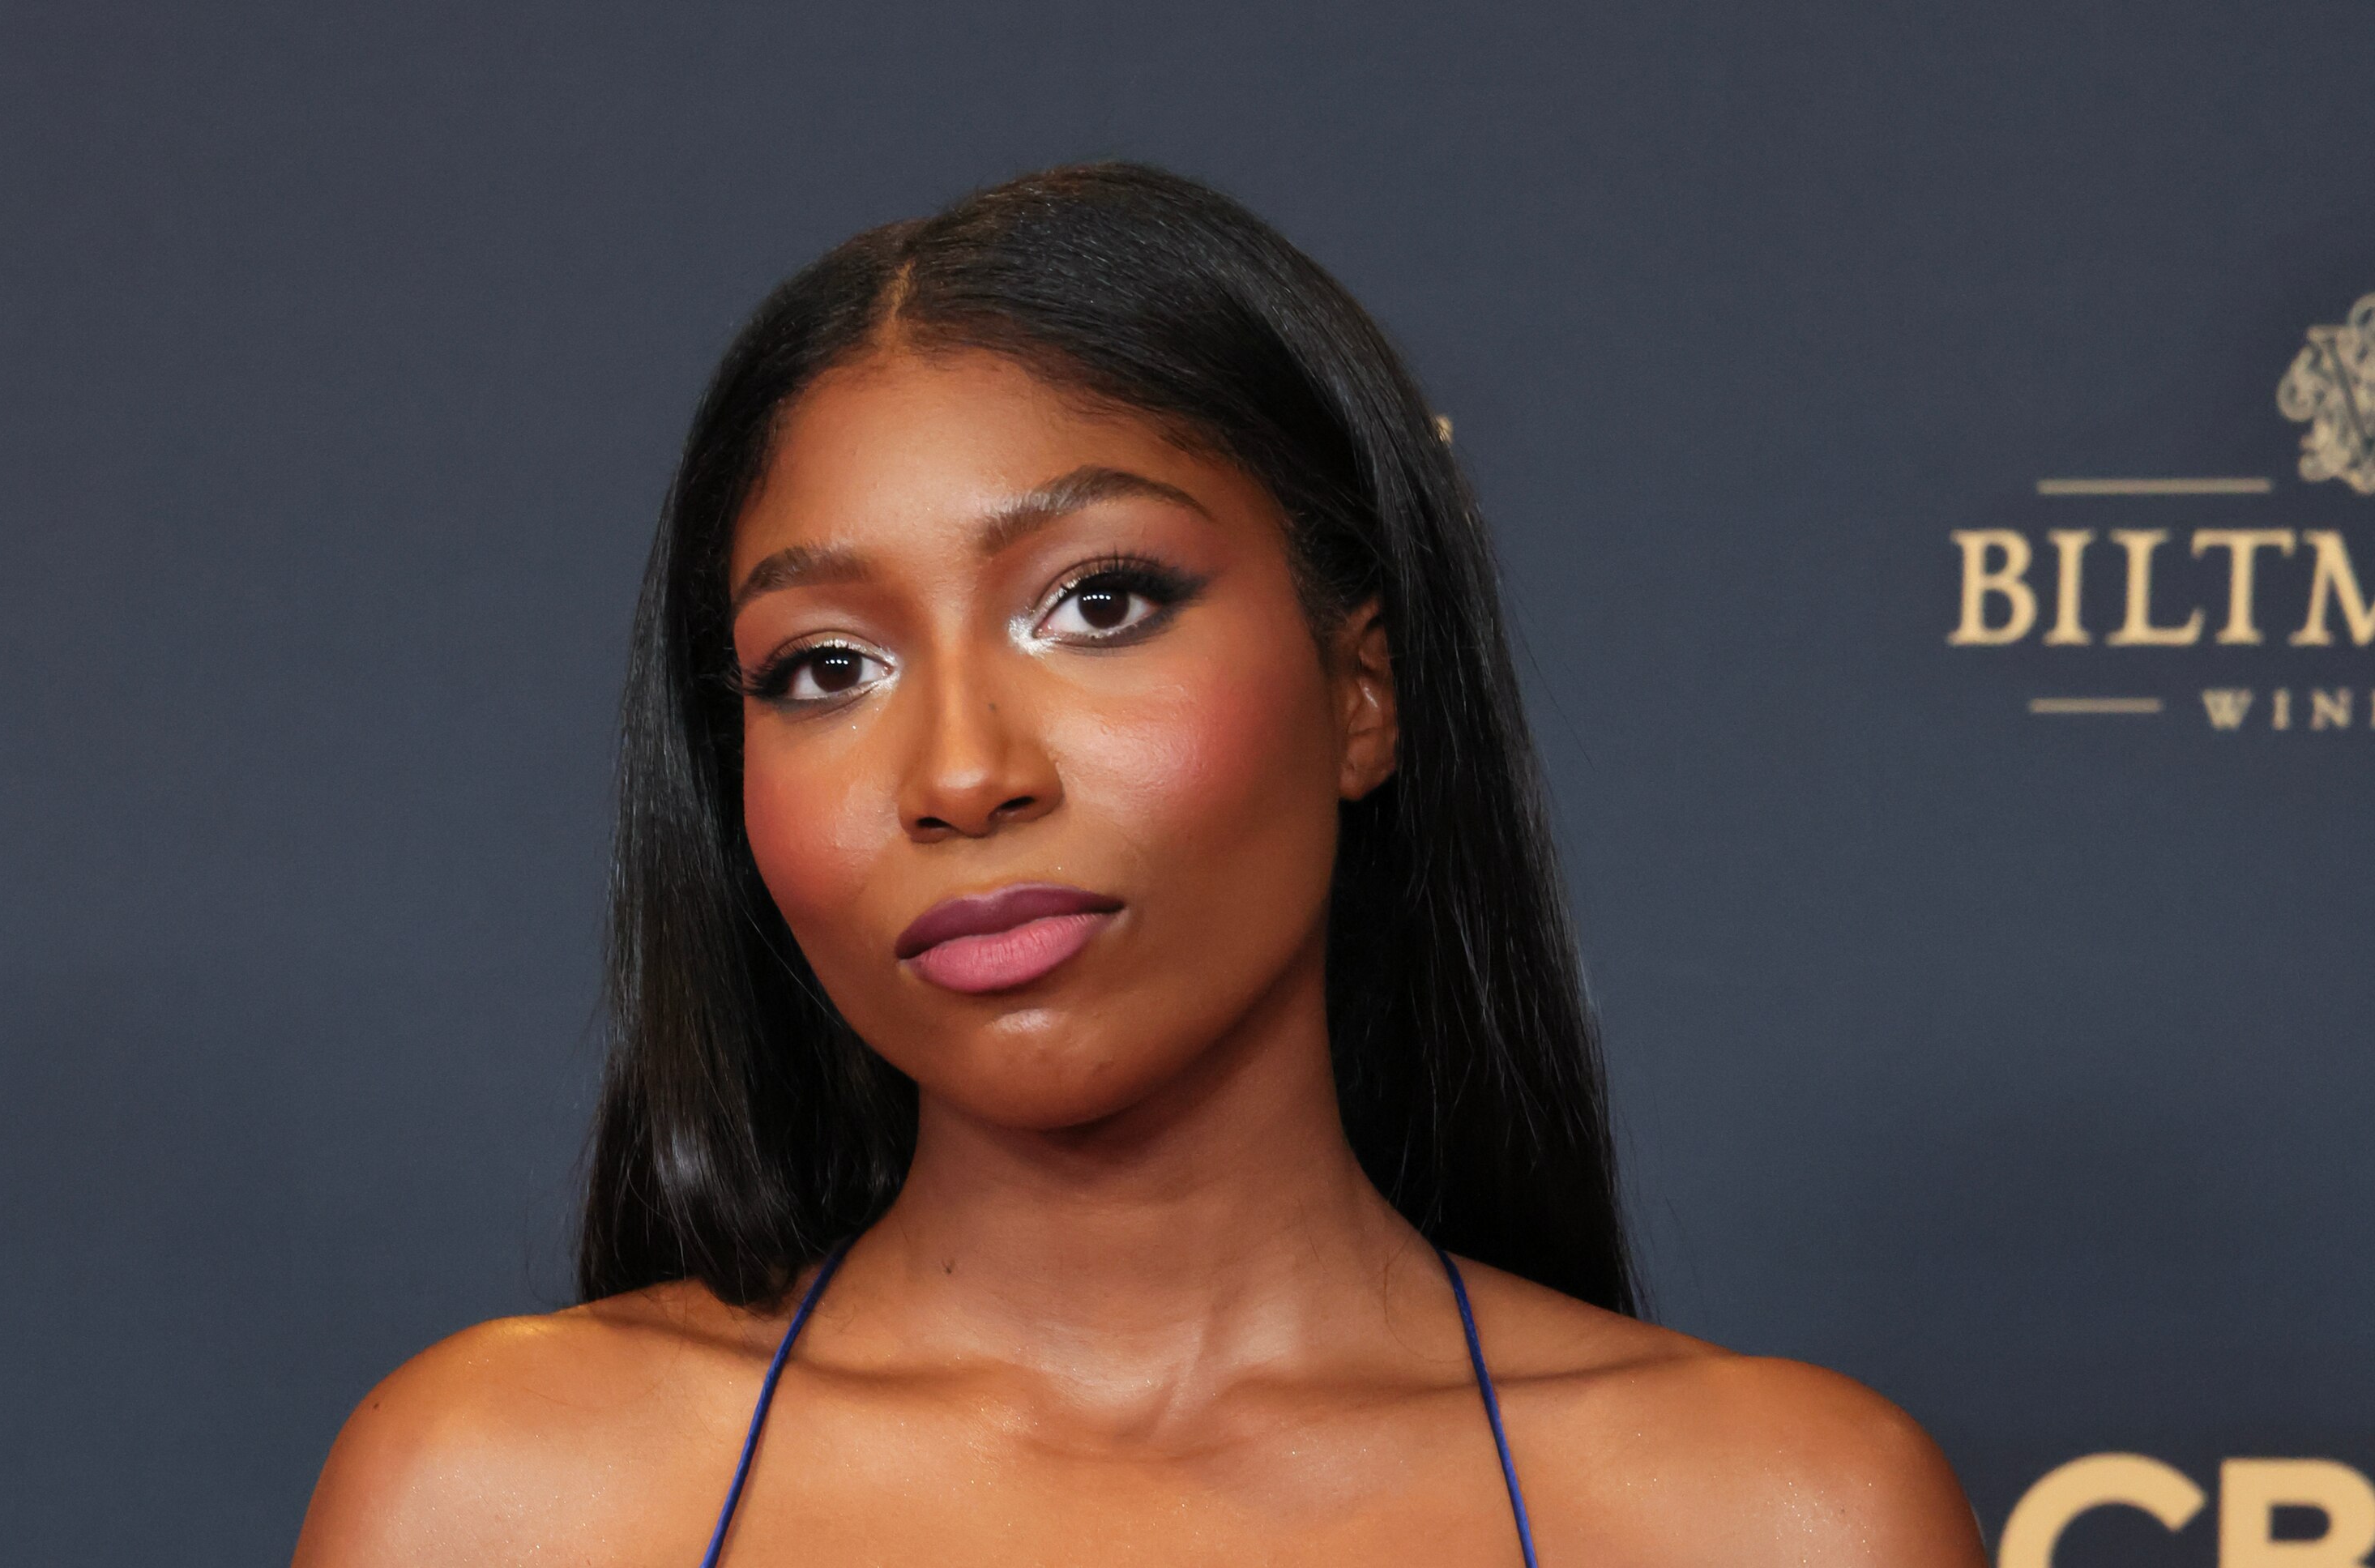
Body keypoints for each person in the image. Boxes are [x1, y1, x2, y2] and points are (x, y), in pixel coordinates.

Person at [294, 163, 1984, 1567]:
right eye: (826, 667)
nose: (960, 773)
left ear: (1362, 691)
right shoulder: (503, 1499)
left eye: (1096, 603)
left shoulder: (1773, 1518)